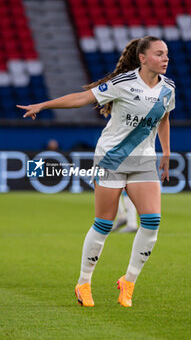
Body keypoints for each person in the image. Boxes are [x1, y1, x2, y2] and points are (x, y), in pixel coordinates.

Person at [17, 36, 175, 308]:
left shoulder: (168, 88)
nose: (165, 58)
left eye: (167, 54)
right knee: (104, 223)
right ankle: (84, 282)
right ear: (143, 58)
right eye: (159, 54)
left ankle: (129, 281)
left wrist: (167, 151)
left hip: (144, 160)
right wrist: (44, 105)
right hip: (111, 158)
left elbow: (164, 118)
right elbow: (81, 97)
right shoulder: (122, 84)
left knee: (152, 222)